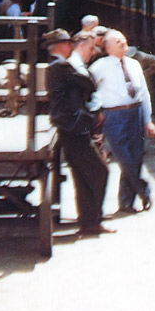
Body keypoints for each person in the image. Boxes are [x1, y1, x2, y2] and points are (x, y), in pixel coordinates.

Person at [44, 29, 113, 236]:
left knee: (84, 177)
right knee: (100, 171)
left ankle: (90, 222)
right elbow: (88, 83)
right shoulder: (62, 66)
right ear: (63, 46)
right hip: (73, 128)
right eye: (68, 44)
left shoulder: (57, 67)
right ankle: (92, 220)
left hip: (72, 128)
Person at [90, 29, 155, 213]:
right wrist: (97, 111)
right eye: (117, 41)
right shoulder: (98, 67)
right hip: (114, 117)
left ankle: (126, 203)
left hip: (135, 113)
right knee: (124, 158)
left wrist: (147, 120)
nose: (122, 42)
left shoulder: (134, 65)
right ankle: (143, 190)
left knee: (136, 158)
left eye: (123, 39)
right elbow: (89, 92)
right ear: (107, 47)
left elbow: (144, 94)